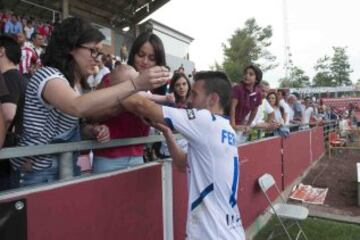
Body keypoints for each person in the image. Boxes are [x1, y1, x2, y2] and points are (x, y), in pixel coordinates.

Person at [9, 17, 169, 187]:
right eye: (93, 51)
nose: (97, 59)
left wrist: (92, 130)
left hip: (67, 167)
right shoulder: (47, 75)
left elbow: (76, 124)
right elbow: (76, 106)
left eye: (99, 53)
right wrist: (136, 84)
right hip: (37, 173)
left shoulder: (76, 85)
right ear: (72, 47)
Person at [121, 70, 245, 239]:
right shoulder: (224, 129)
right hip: (228, 232)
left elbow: (141, 106)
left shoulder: (206, 120)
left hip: (212, 234)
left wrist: (115, 88)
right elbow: (182, 164)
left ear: (212, 99)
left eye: (194, 94)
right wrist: (167, 133)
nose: (189, 99)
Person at [92, 31, 171, 173]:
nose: (145, 62)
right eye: (141, 55)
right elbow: (91, 115)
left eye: (151, 58)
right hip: (108, 158)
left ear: (158, 62)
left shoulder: (155, 89)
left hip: (137, 156)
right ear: (133, 54)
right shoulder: (114, 78)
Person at [157, 72, 191, 158]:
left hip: (188, 151)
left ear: (188, 85)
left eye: (184, 84)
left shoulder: (194, 104)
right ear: (173, 87)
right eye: (177, 85)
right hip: (169, 150)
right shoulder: (167, 103)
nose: (181, 87)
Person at [230, 65, 262, 143]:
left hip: (240, 124)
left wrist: (248, 125)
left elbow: (254, 110)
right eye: (246, 73)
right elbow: (232, 107)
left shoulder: (258, 93)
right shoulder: (237, 88)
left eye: (251, 74)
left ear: (256, 79)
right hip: (227, 122)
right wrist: (233, 125)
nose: (247, 75)